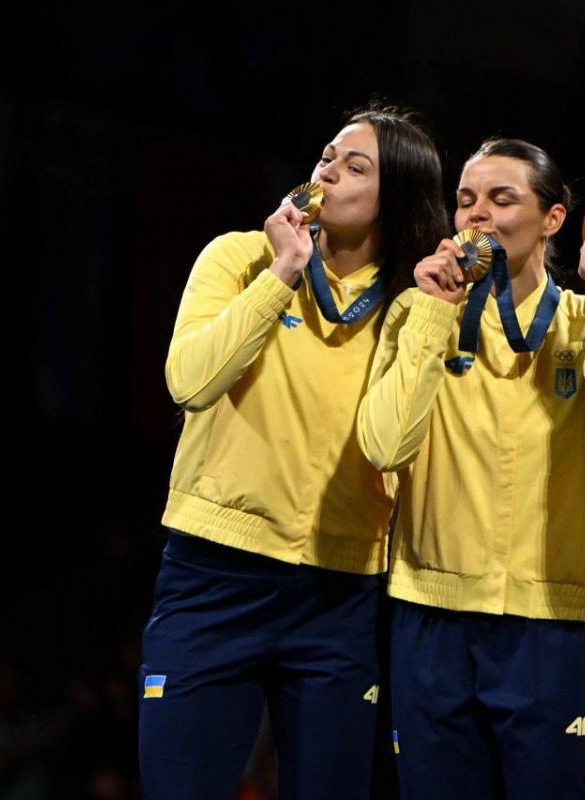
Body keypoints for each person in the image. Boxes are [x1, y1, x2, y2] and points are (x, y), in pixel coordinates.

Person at [139, 103, 448, 799]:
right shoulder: (239, 256)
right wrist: (281, 270)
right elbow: (190, 382)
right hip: (214, 575)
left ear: (394, 197)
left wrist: (430, 316)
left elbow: (395, 445)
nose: (328, 170)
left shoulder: (411, 309)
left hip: (339, 596)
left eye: (355, 165)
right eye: (328, 155)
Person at [357, 137, 585, 799]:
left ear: (553, 219)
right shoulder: (420, 313)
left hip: (557, 620)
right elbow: (384, 447)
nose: (478, 216)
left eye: (502, 199)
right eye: (466, 200)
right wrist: (435, 315)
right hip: (433, 621)